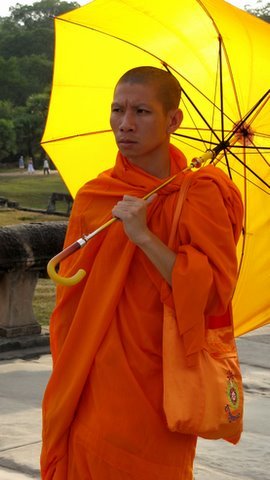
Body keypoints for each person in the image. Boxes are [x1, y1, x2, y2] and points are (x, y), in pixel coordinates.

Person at [41, 66, 243, 479]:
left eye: (142, 112)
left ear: (173, 119)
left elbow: (211, 295)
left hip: (160, 380)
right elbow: (72, 302)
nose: (125, 124)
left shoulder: (201, 194)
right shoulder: (97, 196)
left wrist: (144, 236)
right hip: (92, 377)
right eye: (117, 110)